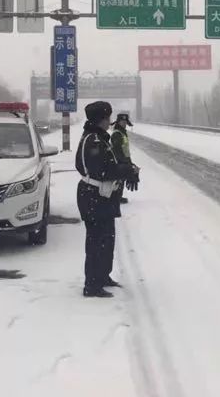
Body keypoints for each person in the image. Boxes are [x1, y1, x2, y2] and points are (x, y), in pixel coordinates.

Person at [75, 101, 138, 298]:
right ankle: (91, 285)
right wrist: (128, 171)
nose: (109, 120)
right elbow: (104, 170)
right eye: (108, 117)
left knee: (107, 238)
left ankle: (103, 276)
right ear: (101, 119)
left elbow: (111, 164)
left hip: (102, 196)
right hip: (93, 196)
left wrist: (128, 170)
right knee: (96, 241)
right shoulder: (93, 140)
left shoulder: (100, 138)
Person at [110, 112, 139, 205]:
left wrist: (129, 162)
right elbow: (117, 150)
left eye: (125, 121)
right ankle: (115, 198)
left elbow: (124, 149)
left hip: (124, 159)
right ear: (117, 122)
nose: (124, 123)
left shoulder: (122, 132)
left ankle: (118, 197)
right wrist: (125, 163)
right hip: (119, 160)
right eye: (122, 121)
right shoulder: (117, 133)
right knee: (118, 180)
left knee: (122, 179)